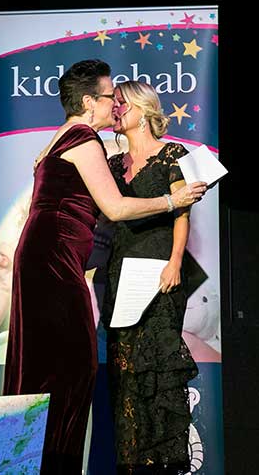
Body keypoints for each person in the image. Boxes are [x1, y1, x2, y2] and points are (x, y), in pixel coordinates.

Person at [3, 60, 207, 474]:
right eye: (109, 96)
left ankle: (32, 460)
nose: (114, 104)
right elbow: (114, 207)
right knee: (71, 367)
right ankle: (52, 462)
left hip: (46, 258)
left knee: (45, 363)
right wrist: (173, 201)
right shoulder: (83, 138)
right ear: (87, 102)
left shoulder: (61, 138)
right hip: (55, 260)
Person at [101, 80, 202, 474]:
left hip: (160, 274)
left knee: (158, 368)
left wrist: (175, 262)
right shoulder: (112, 164)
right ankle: (133, 464)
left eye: (121, 103)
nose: (115, 109)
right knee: (126, 373)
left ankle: (165, 464)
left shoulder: (172, 155)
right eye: (113, 103)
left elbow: (182, 213)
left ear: (143, 109)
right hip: (121, 274)